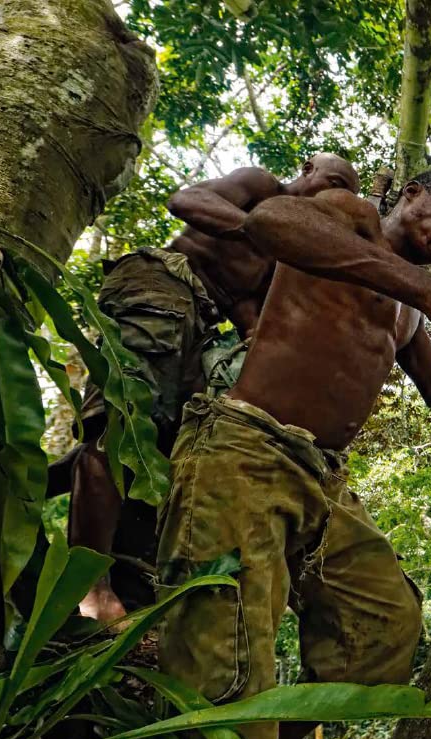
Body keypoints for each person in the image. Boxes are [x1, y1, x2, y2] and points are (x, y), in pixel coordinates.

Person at [154, 170, 431, 739]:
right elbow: (271, 222)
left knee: (384, 630)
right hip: (246, 449)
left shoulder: (411, 311)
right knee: (224, 667)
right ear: (411, 194)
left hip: (323, 478)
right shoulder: (348, 214)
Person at [53, 154, 360, 623]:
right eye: (332, 181)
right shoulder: (261, 188)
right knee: (123, 426)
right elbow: (186, 200)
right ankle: (88, 589)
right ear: (306, 170)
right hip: (163, 282)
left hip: (202, 323)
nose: (331, 195)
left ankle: (37, 484)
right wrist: (261, 227)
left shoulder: (287, 258)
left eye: (344, 194)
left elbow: (250, 318)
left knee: (171, 442)